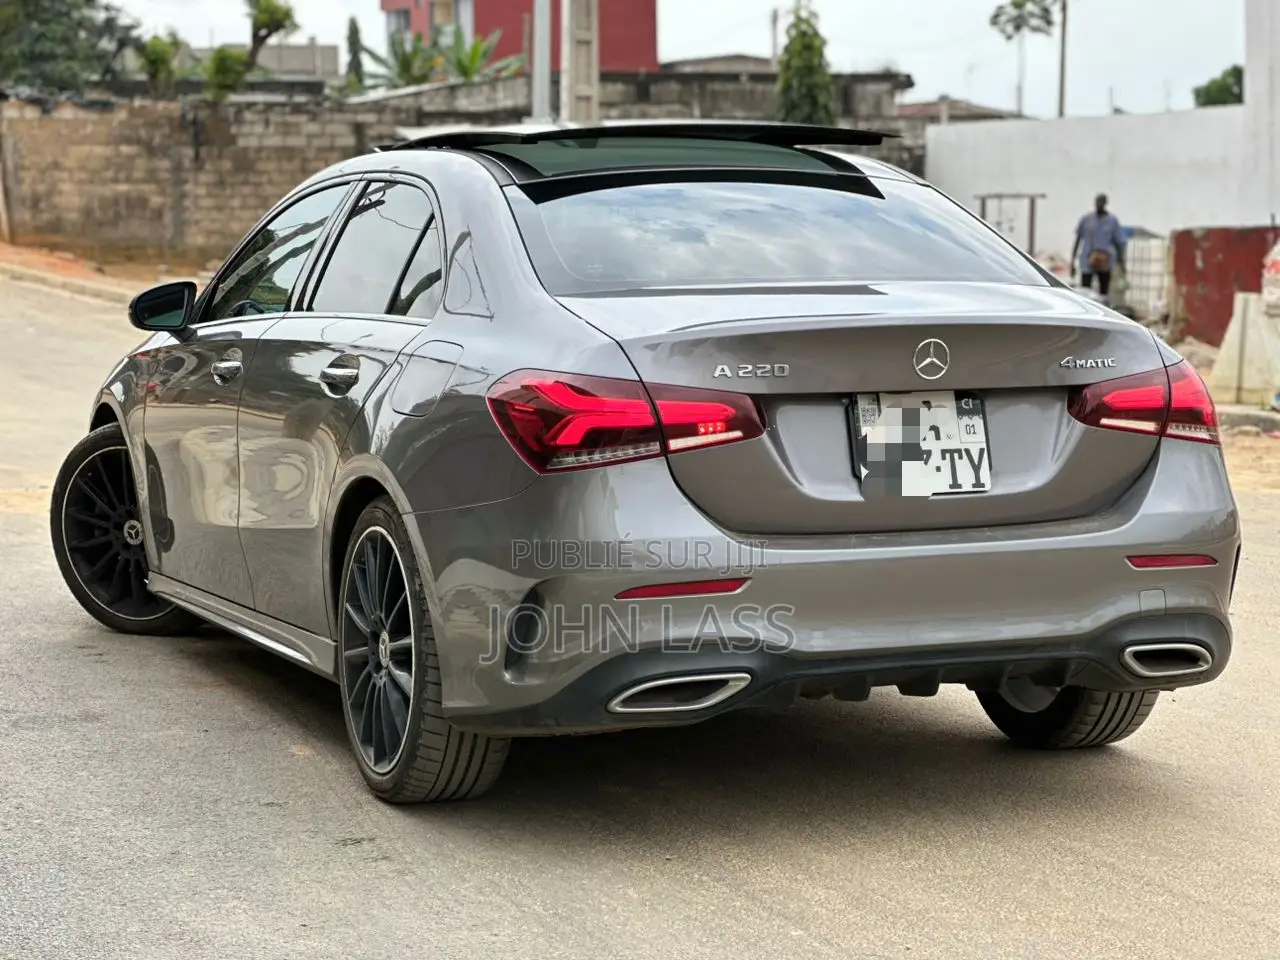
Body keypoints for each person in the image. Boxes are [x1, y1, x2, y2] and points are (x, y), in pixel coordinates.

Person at [1071, 193, 1126, 297]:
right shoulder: (1086, 219)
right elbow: (1077, 240)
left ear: (1105, 204)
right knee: (1085, 290)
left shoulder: (1112, 221)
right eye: (1097, 202)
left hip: (1105, 260)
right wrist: (1072, 262)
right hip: (1088, 259)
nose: (1099, 205)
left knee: (1104, 292)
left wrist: (1121, 262)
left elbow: (1119, 243)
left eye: (1101, 202)